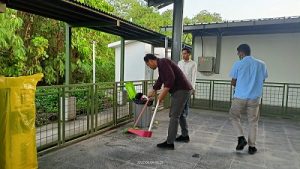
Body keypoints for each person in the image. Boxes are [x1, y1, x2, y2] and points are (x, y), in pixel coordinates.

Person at [144, 54, 192, 150]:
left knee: (174, 116)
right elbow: (161, 80)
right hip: (184, 89)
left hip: (181, 90)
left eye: (148, 65)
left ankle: (169, 143)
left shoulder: (163, 62)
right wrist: (153, 90)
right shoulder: (162, 65)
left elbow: (170, 80)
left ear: (151, 61)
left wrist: (161, 96)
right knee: (181, 114)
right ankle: (184, 136)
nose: (149, 66)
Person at [229, 44, 268, 155]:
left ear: (241, 52)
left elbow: (233, 82)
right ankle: (252, 147)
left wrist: (240, 83)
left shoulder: (238, 64)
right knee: (253, 122)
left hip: (240, 97)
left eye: (238, 53)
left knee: (233, 116)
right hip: (254, 98)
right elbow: (262, 80)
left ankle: (241, 137)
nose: (238, 55)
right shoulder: (262, 64)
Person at [176, 47, 197, 142]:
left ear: (189, 54)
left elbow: (194, 76)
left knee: (182, 112)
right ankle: (184, 134)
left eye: (185, 53)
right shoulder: (179, 63)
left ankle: (184, 135)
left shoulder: (193, 64)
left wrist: (193, 88)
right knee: (180, 112)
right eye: (183, 53)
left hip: (187, 89)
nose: (184, 55)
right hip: (179, 88)